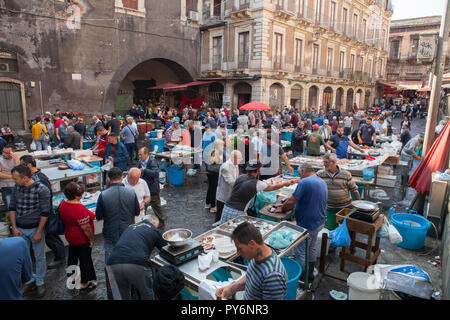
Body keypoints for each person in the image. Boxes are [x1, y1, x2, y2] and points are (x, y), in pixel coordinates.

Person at [8, 165, 51, 297]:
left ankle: (39, 281)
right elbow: (12, 207)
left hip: (35, 229)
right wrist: (14, 227)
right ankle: (29, 279)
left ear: (25, 178)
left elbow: (45, 212)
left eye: (15, 179)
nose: (14, 181)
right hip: (20, 229)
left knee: (39, 257)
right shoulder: (16, 188)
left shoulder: (41, 189)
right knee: (22, 257)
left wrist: (39, 231)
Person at [215, 222, 287, 300]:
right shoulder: (256, 256)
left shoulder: (272, 276)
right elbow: (252, 276)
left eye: (240, 248)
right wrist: (231, 288)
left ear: (252, 244)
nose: (238, 253)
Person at [281, 162, 327, 282]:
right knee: (311, 247)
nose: (300, 177)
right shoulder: (320, 180)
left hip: (308, 222)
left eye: (300, 174)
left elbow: (291, 201)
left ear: (304, 171)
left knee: (300, 251)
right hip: (319, 220)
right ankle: (310, 274)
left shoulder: (305, 182)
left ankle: (302, 278)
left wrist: (282, 207)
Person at [20, 155, 66, 268]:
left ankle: (60, 257)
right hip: (39, 214)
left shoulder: (40, 179)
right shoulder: (33, 177)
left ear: (29, 165)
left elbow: (45, 198)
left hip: (44, 214)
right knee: (51, 236)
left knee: (51, 237)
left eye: (22, 165)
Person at [107, 214, 167, 300]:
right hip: (137, 263)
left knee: (123, 293)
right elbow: (165, 249)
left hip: (113, 262)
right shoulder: (154, 229)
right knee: (147, 292)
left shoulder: (130, 227)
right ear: (154, 223)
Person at [219, 162, 298, 224]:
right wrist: (285, 183)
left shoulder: (240, 177)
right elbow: (273, 187)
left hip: (226, 208)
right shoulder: (256, 183)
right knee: (239, 236)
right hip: (237, 212)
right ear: (258, 170)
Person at [95, 167, 140, 263]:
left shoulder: (103, 195)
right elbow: (137, 212)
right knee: (128, 258)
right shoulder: (131, 192)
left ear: (108, 179)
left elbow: (98, 216)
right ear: (122, 178)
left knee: (111, 261)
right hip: (128, 232)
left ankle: (112, 277)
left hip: (110, 233)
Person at [59, 182, 97, 292]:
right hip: (81, 238)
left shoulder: (63, 204)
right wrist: (91, 239)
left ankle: (71, 279)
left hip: (70, 236)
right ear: (76, 195)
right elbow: (86, 228)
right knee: (85, 260)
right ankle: (84, 283)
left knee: (72, 258)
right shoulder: (78, 208)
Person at [317, 153, 360, 231]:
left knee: (347, 229)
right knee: (332, 228)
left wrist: (359, 205)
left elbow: (354, 190)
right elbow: (312, 180)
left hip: (345, 207)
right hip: (330, 207)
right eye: (323, 162)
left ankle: (348, 242)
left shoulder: (346, 174)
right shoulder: (321, 174)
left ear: (333, 162)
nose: (324, 164)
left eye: (326, 162)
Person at [137, 147, 166, 229]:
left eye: (141, 155)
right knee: (143, 207)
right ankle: (142, 222)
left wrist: (145, 170)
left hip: (152, 190)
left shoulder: (152, 162)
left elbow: (156, 174)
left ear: (146, 154)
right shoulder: (141, 162)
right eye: (139, 154)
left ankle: (161, 222)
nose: (139, 156)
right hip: (144, 190)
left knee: (156, 207)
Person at [215, 150, 242, 224]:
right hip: (223, 195)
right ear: (234, 158)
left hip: (231, 194)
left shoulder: (236, 164)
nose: (240, 160)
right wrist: (243, 182)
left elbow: (236, 177)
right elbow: (231, 182)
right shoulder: (225, 167)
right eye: (240, 158)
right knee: (219, 216)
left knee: (227, 215)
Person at [205, 139, 224, 215]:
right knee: (213, 190)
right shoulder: (217, 153)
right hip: (214, 173)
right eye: (222, 145)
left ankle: (207, 203)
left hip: (209, 173)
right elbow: (216, 162)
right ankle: (213, 206)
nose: (223, 146)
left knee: (210, 188)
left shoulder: (212, 151)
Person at [0, 145, 19, 211]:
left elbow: (19, 171)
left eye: (6, 153)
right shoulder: (0, 160)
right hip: (6, 186)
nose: (3, 154)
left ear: (12, 153)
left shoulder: (16, 159)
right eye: (3, 152)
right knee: (10, 207)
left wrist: (16, 160)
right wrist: (12, 176)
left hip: (18, 186)